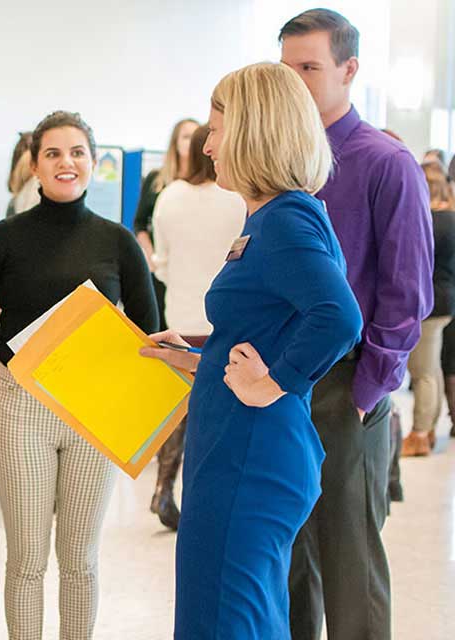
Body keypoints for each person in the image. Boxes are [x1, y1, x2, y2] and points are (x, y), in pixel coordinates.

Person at [142, 61, 362, 640]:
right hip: (238, 446)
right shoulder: (269, 218)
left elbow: (339, 316)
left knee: (227, 621)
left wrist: (276, 380)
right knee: (234, 614)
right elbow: (264, 330)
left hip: (251, 452)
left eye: (216, 129)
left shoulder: (286, 220)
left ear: (251, 132)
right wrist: (194, 356)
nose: (208, 146)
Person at [0, 110, 157, 640]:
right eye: (53, 154)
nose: (67, 163)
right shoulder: (5, 237)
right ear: (35, 166)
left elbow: (148, 330)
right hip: (22, 407)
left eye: (78, 153)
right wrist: (19, 349)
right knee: (26, 557)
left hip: (93, 413)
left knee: (81, 558)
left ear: (92, 163)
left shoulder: (117, 241)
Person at [279, 10, 434, 639]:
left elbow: (407, 294)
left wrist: (372, 389)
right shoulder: (284, 165)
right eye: (285, 70)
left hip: (349, 387)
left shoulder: (384, 163)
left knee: (349, 561)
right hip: (281, 382)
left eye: (309, 68)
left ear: (350, 70)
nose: (294, 83)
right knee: (290, 560)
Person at [148, 123, 246, 530]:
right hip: (222, 324)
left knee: (176, 412)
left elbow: (161, 263)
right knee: (216, 419)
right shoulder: (241, 200)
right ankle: (207, 502)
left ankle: (162, 485)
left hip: (180, 321)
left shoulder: (167, 196)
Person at [402, 162, 455, 456]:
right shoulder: (451, 217)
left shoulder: (432, 221)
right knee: (432, 368)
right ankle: (429, 429)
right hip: (445, 301)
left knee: (422, 371)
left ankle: (420, 434)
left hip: (430, 303)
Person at [133, 118, 199, 332]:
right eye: (186, 136)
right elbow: (140, 223)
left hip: (189, 268)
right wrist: (152, 258)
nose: (191, 142)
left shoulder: (206, 184)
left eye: (196, 137)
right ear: (175, 143)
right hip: (160, 267)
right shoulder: (157, 179)